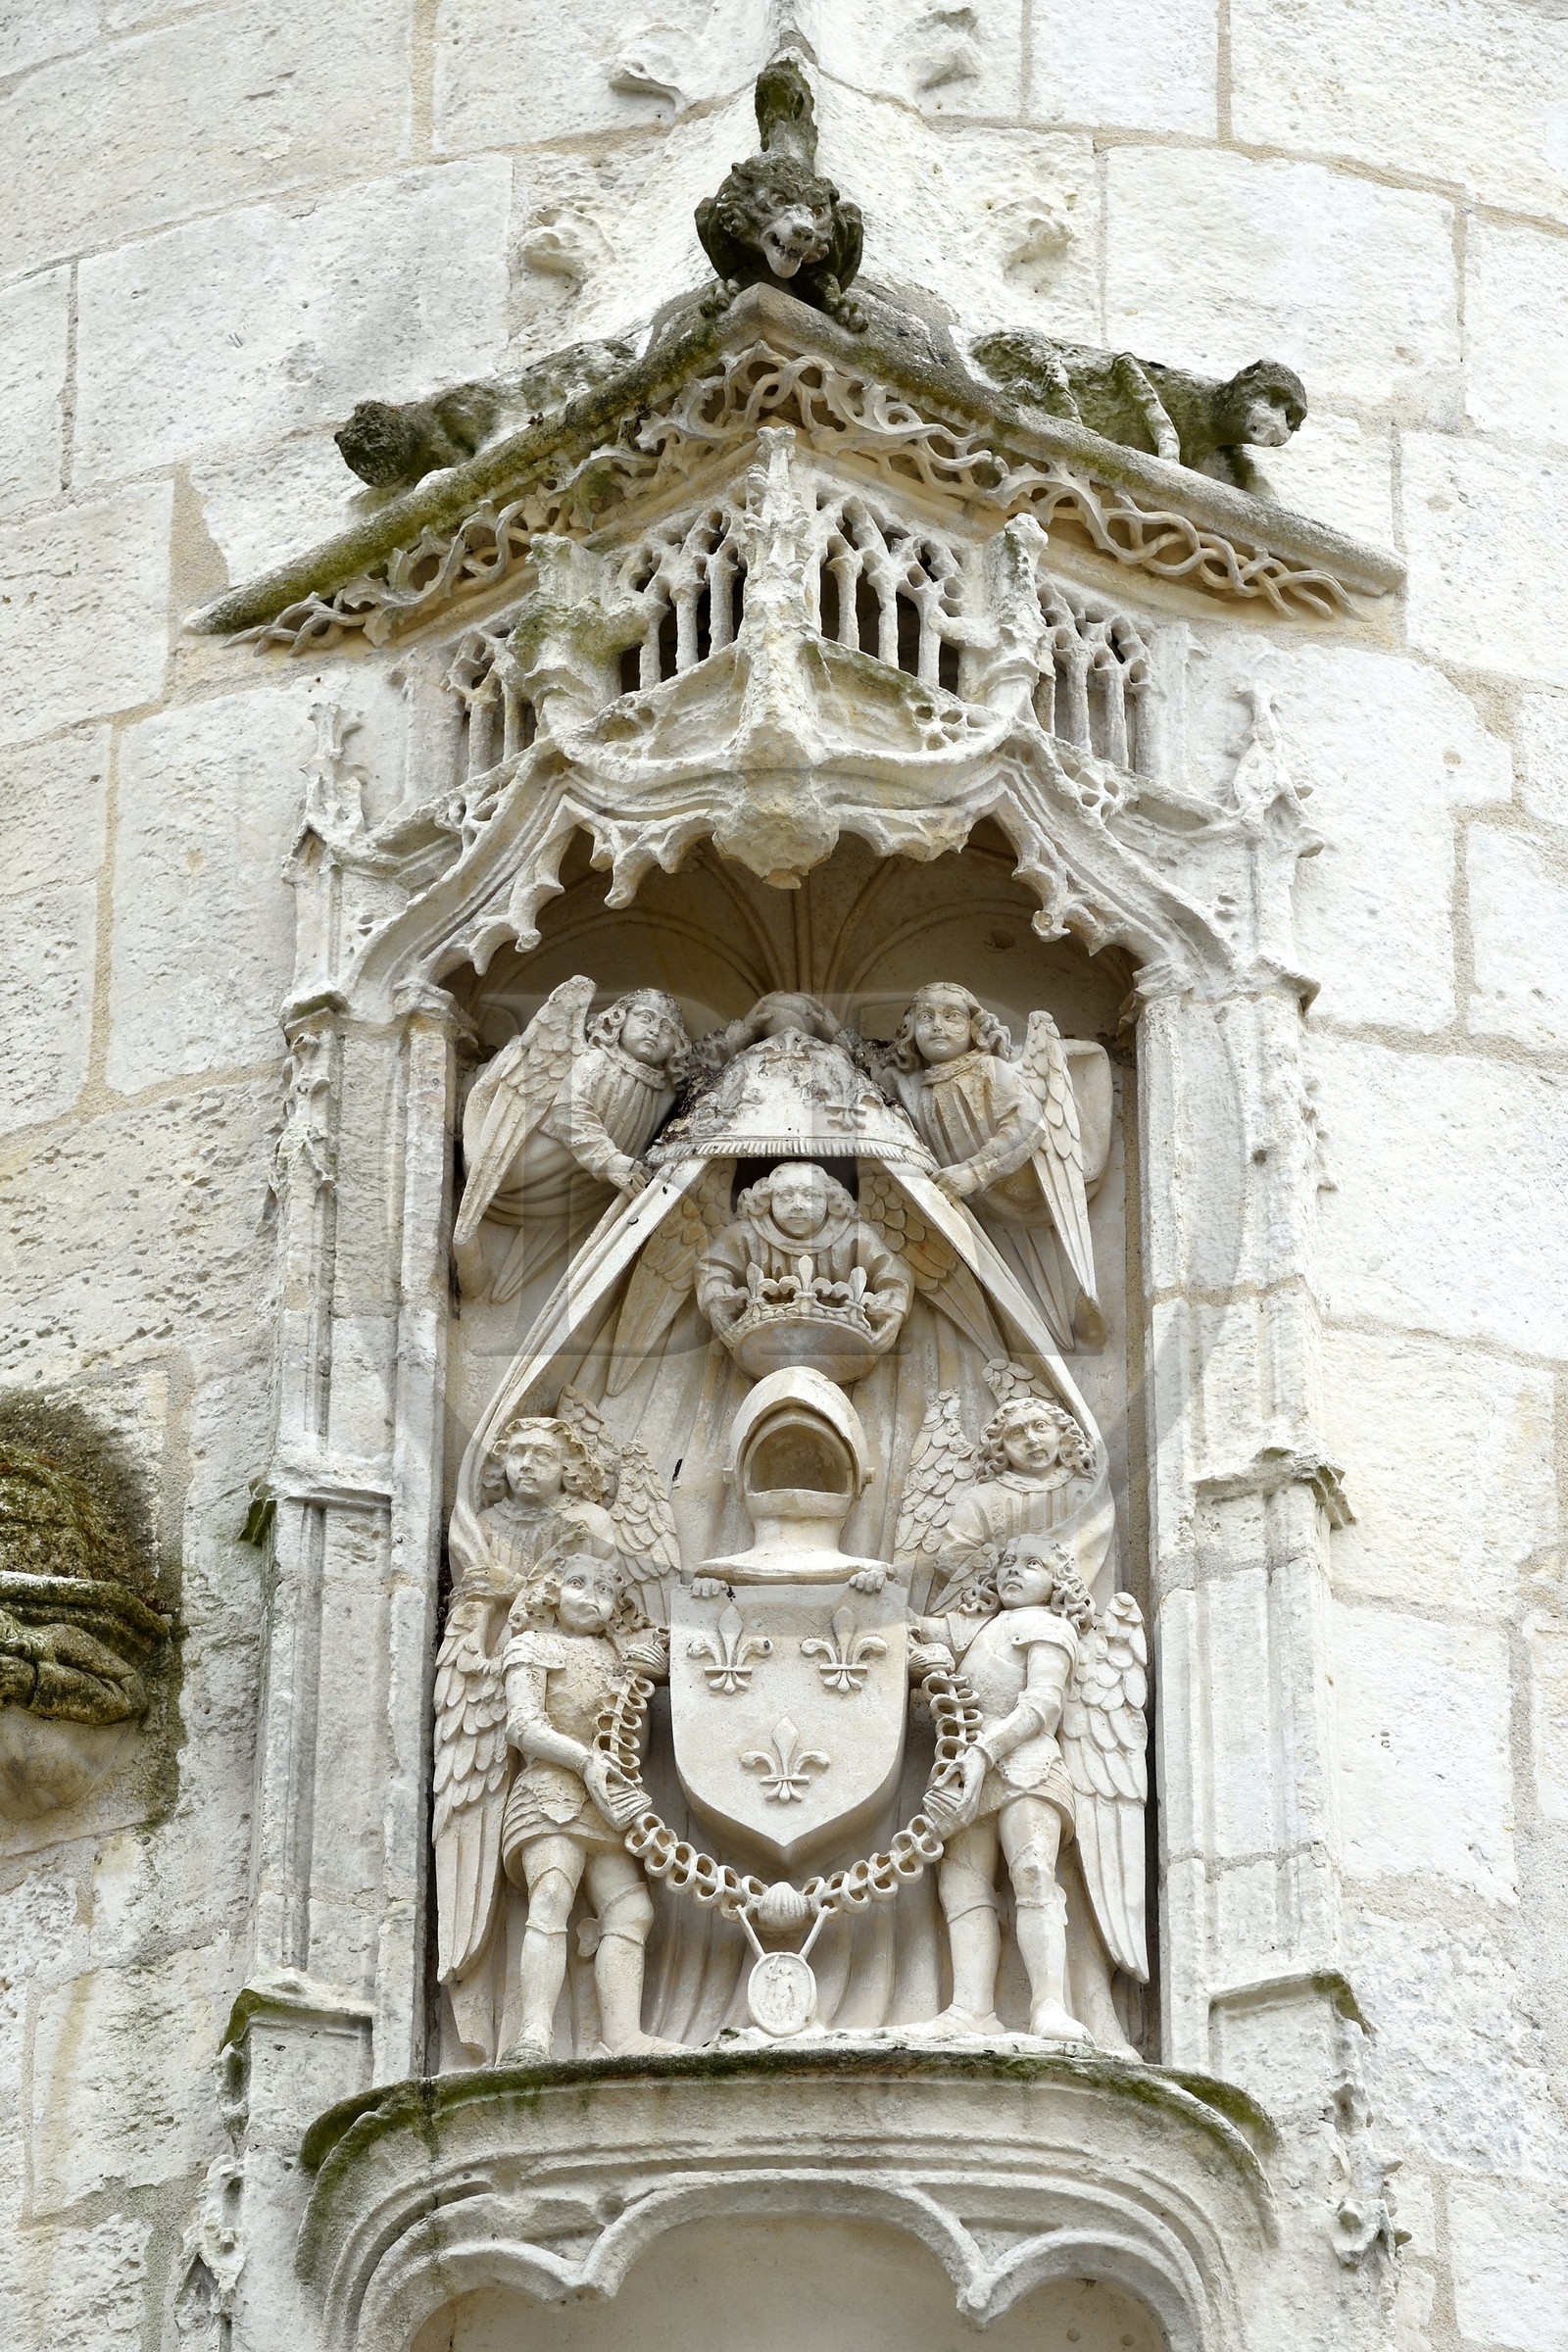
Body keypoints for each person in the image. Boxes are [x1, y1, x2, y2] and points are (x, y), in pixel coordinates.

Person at [915, 1543, 1094, 2041]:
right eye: (1007, 1564)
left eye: (1032, 1564)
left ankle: (1048, 2007)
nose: (1015, 1571)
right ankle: (970, 2008)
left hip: (1025, 1764)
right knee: (961, 1884)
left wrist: (984, 1751)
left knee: (1033, 1872)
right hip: (965, 1766)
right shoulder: (976, 1628)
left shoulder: (1050, 1626)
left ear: (1059, 1581)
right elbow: (911, 1629)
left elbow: (1043, 1705)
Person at [498, 1554, 668, 2061]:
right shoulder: (532, 1645)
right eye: (577, 1583)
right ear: (552, 1593)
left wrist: (646, 1681)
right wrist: (584, 1760)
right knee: (552, 1893)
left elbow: (632, 1742)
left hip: (605, 1800)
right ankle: (534, 2035)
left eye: (604, 1590)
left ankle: (623, 2035)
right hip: (550, 1793)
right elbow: (523, 1725)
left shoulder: (618, 1658)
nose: (591, 1596)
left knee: (632, 1910)